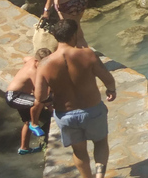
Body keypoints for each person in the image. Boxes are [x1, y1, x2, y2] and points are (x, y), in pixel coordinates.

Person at [34, 19, 117, 178]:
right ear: (74, 35)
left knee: (79, 151)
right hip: (93, 110)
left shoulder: (44, 64)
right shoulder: (87, 54)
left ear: (55, 37)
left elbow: (39, 96)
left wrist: (49, 99)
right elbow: (108, 78)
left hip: (66, 114)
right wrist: (111, 89)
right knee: (100, 143)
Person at [6, 48, 53, 155]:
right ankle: (35, 124)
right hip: (14, 96)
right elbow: (39, 94)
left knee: (27, 121)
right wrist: (50, 106)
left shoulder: (31, 60)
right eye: (43, 64)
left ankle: (24, 148)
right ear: (37, 61)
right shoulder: (33, 71)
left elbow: (25, 58)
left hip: (21, 96)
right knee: (39, 100)